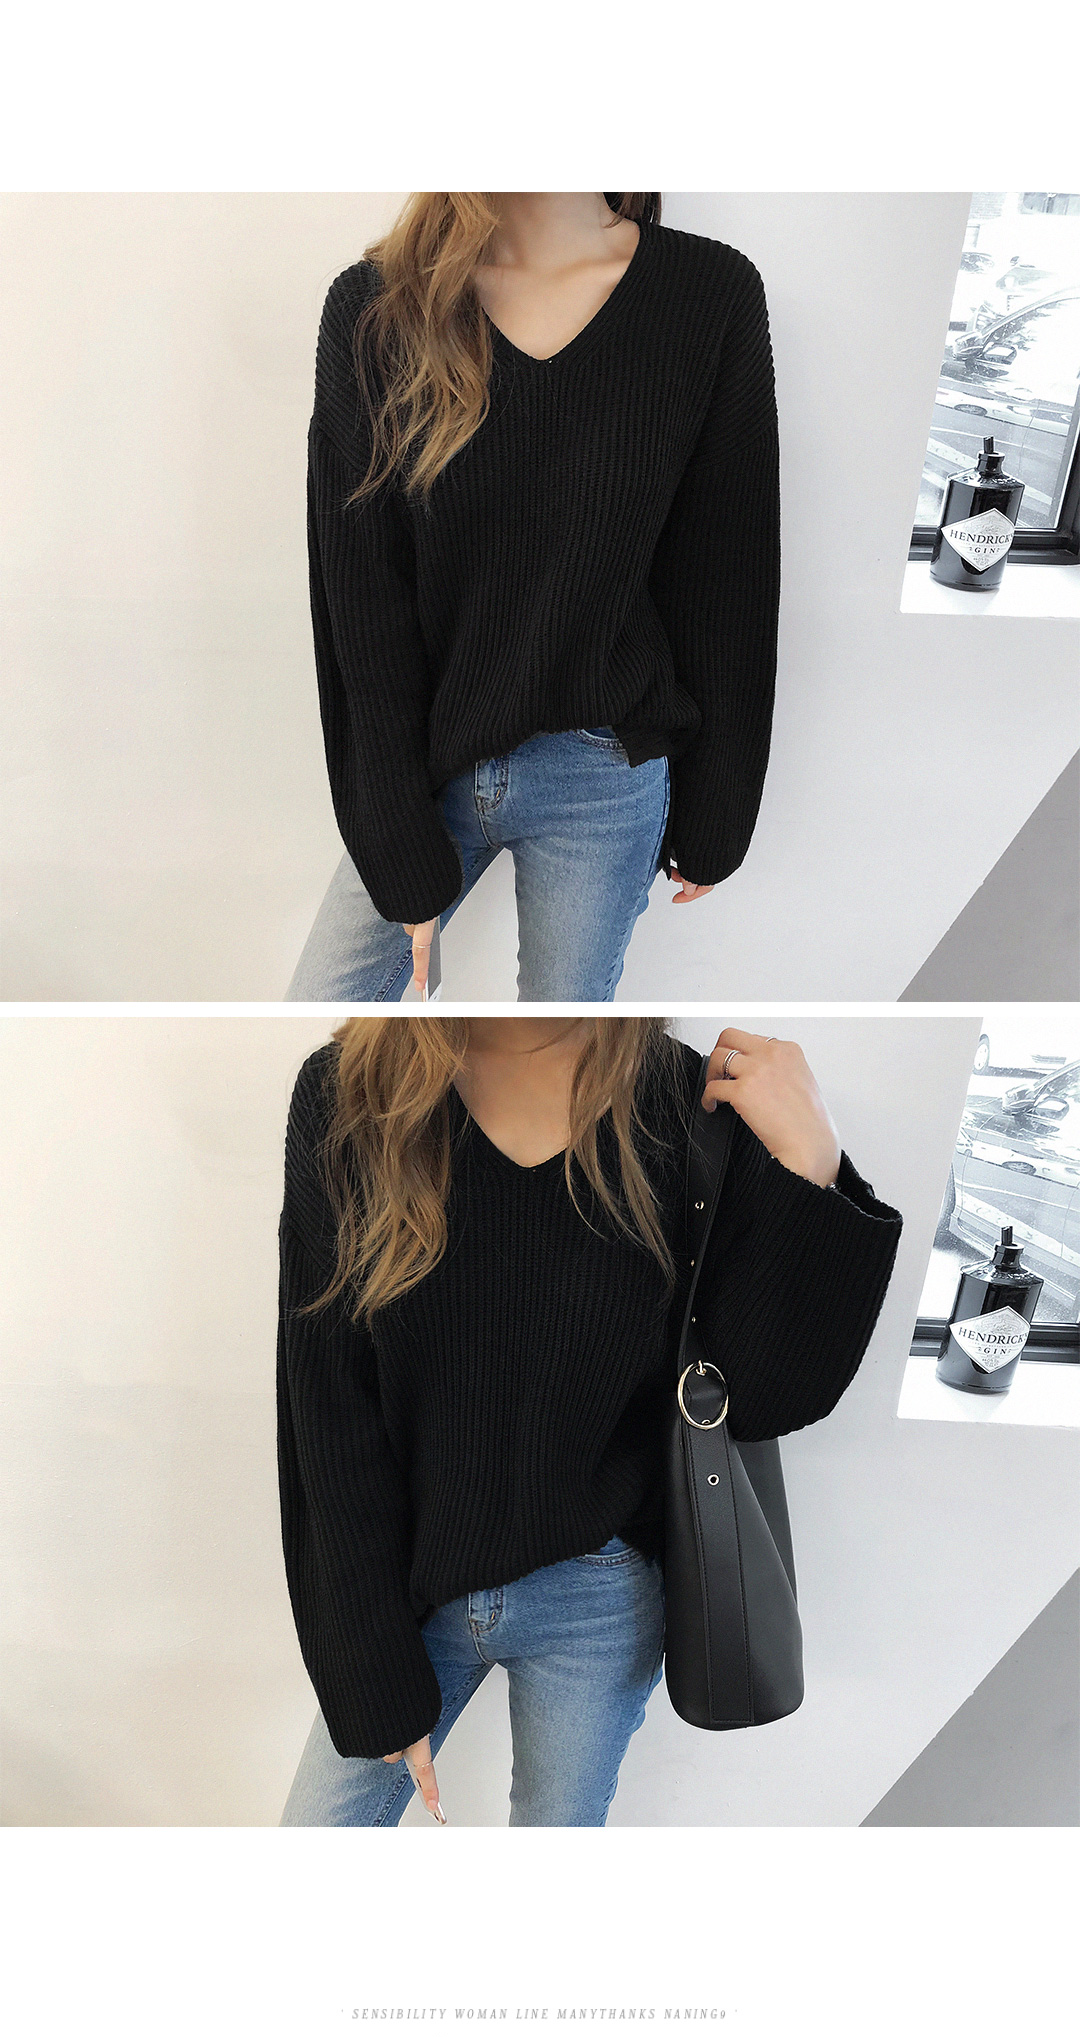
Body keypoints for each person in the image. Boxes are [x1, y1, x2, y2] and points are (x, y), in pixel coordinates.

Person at [276, 1016, 902, 1825]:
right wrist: (372, 1676)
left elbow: (765, 1398)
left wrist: (810, 1165)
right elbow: (327, 1408)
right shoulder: (348, 1094)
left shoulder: (680, 1101)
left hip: (599, 1598)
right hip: (405, 1586)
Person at [286, 193, 781, 1002]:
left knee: (564, 1042)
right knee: (319, 1010)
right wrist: (397, 844)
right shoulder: (379, 305)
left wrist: (718, 807)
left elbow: (725, 568)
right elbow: (360, 599)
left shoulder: (707, 293)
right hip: (433, 759)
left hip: (603, 772)